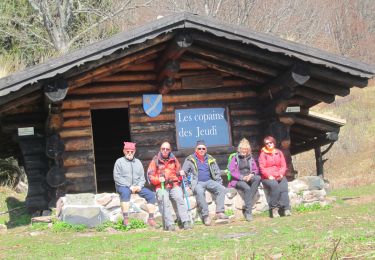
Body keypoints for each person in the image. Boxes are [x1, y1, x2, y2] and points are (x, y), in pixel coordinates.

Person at [181, 140, 228, 226]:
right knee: (199, 192)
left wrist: (219, 182)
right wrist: (187, 185)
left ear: (206, 150)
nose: (201, 150)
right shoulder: (190, 159)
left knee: (221, 188)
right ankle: (205, 216)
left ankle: (220, 212)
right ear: (196, 150)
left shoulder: (210, 158)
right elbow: (183, 173)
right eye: (199, 148)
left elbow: (216, 171)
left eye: (203, 148)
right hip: (197, 182)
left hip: (209, 181)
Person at [147, 142, 192, 231]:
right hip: (161, 186)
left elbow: (178, 172)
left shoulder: (174, 159)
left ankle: (185, 221)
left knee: (179, 197)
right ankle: (169, 224)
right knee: (164, 200)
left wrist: (181, 173)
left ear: (170, 150)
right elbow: (150, 176)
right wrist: (158, 180)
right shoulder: (155, 161)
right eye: (163, 149)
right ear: (160, 149)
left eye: (167, 149)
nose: (165, 150)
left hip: (174, 184)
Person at [113, 141, 157, 227]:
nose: (129, 153)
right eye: (127, 151)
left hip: (137, 187)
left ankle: (151, 219)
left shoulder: (138, 162)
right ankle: (126, 219)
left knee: (151, 195)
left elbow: (142, 178)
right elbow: (117, 177)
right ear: (124, 151)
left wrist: (139, 186)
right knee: (125, 193)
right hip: (123, 186)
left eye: (131, 151)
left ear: (134, 151)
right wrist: (129, 186)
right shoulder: (119, 162)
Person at [228, 138, 261, 222]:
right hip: (238, 180)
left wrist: (251, 174)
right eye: (242, 149)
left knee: (258, 178)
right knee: (247, 188)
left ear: (248, 150)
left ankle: (248, 201)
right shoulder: (235, 158)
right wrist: (242, 177)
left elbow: (255, 169)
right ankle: (248, 212)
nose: (244, 151)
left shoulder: (250, 158)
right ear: (239, 149)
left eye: (246, 149)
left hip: (248, 177)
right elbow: (232, 171)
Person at [258, 136, 291, 218]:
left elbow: (283, 165)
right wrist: (269, 176)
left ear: (274, 143)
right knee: (275, 186)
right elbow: (262, 168)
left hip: (279, 175)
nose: (269, 144)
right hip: (267, 177)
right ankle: (274, 209)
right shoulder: (263, 154)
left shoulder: (279, 152)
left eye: (270, 142)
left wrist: (281, 174)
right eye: (267, 143)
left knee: (284, 187)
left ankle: (286, 208)